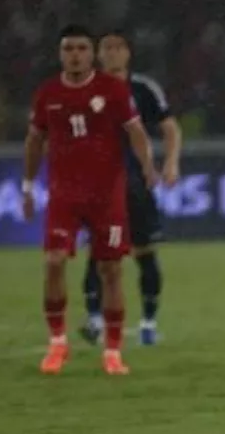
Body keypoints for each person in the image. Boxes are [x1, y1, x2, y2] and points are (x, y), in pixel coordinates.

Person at [23, 24, 158, 375]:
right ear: (60, 53)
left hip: (106, 196)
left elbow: (135, 131)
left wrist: (147, 166)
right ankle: (57, 345)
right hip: (64, 196)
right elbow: (34, 140)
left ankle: (112, 352)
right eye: (68, 49)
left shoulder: (112, 90)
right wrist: (27, 185)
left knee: (111, 269)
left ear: (91, 53)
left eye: (82, 48)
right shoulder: (47, 93)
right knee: (53, 262)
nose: (75, 55)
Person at [80, 29, 182, 347]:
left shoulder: (143, 89)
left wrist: (171, 163)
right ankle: (95, 321)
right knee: (101, 253)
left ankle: (148, 324)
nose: (111, 53)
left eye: (117, 47)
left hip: (137, 183)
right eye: (106, 47)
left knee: (144, 253)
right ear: (98, 55)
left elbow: (170, 128)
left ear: (128, 54)